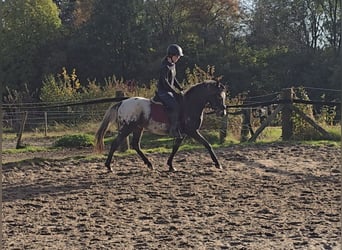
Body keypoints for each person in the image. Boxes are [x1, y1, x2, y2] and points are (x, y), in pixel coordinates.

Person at [156, 44, 184, 138]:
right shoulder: (165, 66)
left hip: (169, 91)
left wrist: (180, 88)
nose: (178, 58)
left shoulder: (172, 65)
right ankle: (173, 129)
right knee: (176, 106)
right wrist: (174, 92)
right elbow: (165, 82)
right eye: (177, 56)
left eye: (179, 56)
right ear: (170, 56)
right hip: (163, 92)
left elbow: (173, 79)